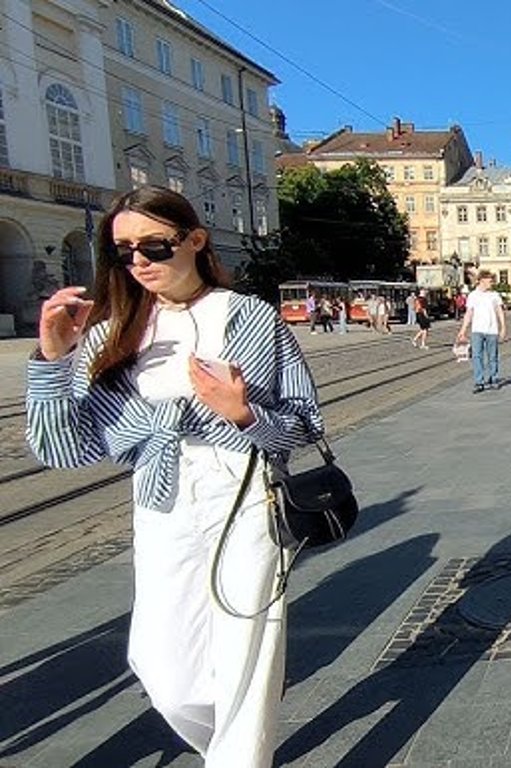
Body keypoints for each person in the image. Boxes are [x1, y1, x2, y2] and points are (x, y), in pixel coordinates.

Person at [26, 185, 323, 768]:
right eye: (121, 251)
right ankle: (231, 746)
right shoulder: (115, 333)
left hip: (243, 496)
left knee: (246, 654)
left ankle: (240, 756)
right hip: (162, 501)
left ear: (194, 241)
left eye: (155, 246)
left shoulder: (251, 319)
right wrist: (53, 361)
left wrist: (243, 414)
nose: (138, 261)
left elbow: (304, 425)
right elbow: (62, 448)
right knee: (163, 667)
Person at [457, 271, 506, 392]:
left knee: (492, 356)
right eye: (490, 281)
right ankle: (479, 381)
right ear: (482, 280)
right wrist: (463, 330)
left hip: (492, 330)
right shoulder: (473, 295)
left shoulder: (494, 295)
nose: (492, 283)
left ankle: (494, 378)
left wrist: (503, 327)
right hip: (477, 330)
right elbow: (469, 313)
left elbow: (499, 311)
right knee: (477, 356)